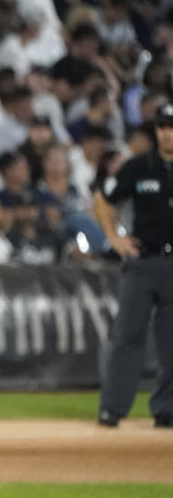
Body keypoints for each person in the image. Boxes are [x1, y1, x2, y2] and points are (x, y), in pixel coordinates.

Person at [93, 103, 173, 429]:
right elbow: (102, 199)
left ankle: (167, 409)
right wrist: (114, 237)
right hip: (143, 261)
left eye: (172, 126)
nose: (167, 132)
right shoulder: (140, 166)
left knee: (172, 341)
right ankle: (112, 408)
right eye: (162, 126)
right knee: (127, 335)